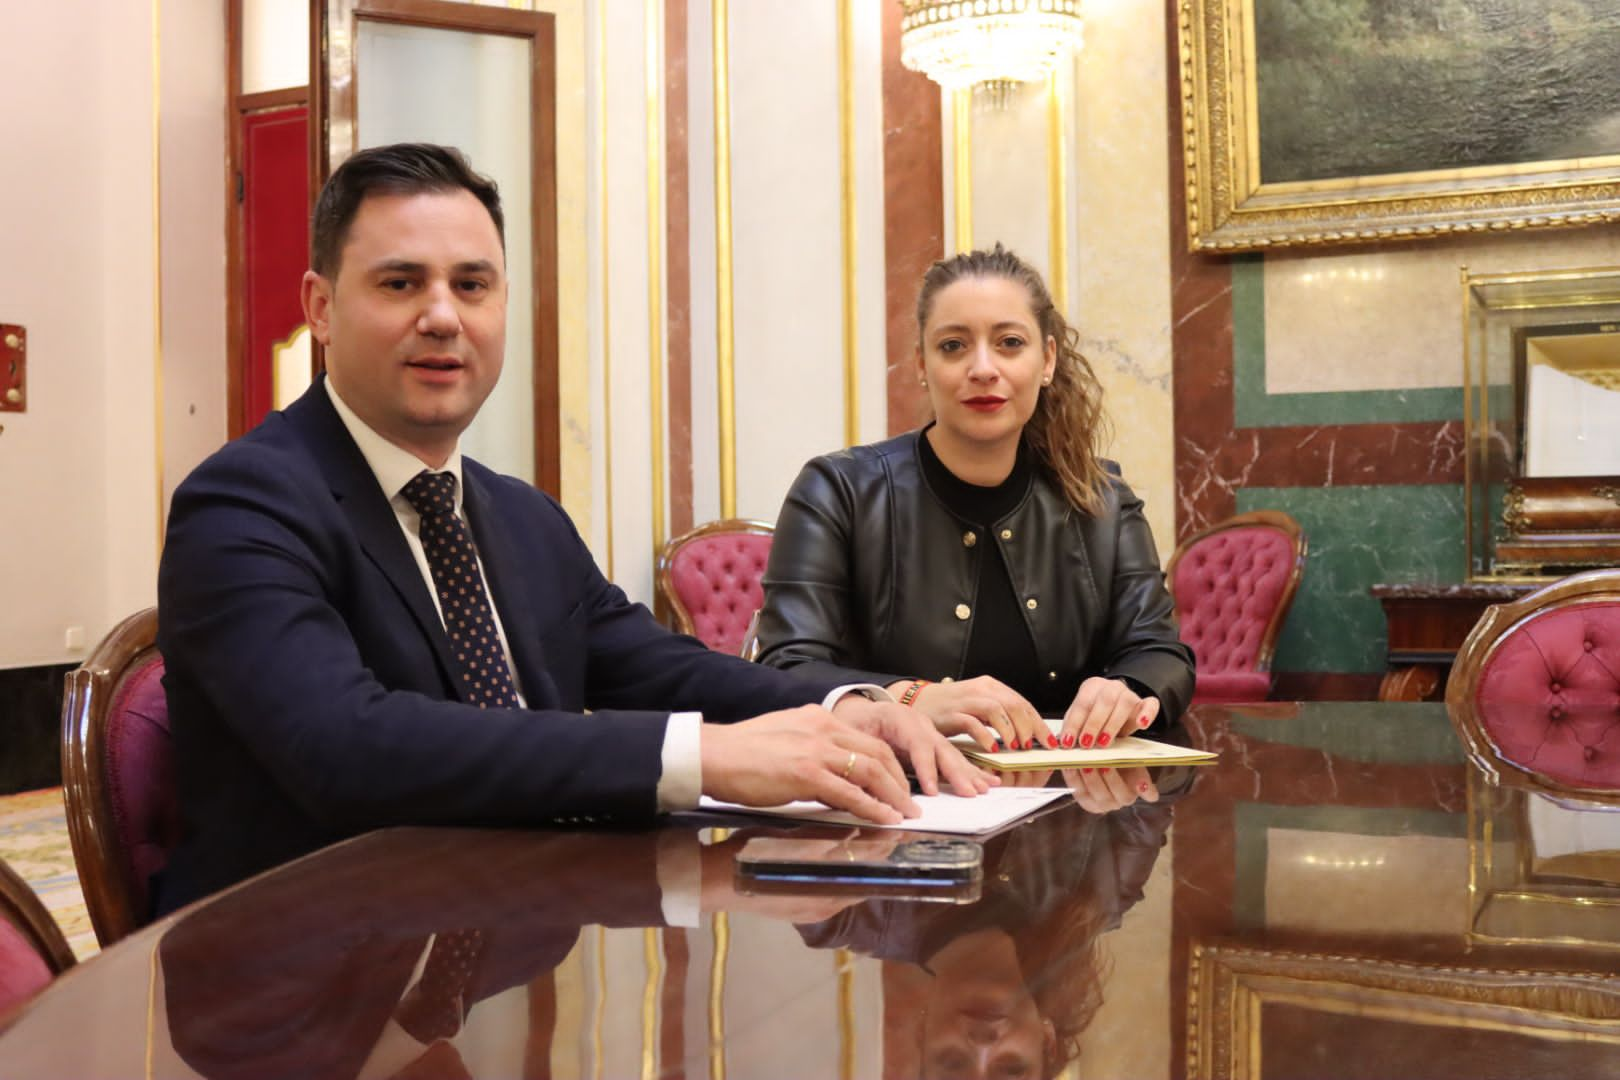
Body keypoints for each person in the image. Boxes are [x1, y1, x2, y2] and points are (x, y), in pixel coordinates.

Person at [154, 143, 985, 916]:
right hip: (310, 971)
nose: (443, 316)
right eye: (401, 283)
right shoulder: (244, 503)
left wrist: (851, 703)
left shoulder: (519, 515)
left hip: (516, 930)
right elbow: (348, 747)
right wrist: (705, 757)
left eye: (472, 285)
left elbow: (657, 668)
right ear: (322, 307)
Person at [755, 244, 1194, 757]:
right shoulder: (837, 491)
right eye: (953, 346)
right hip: (893, 802)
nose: (983, 368)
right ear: (922, 364)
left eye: (1009, 342)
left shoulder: (1104, 502)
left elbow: (1160, 652)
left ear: (1047, 360)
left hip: (1072, 805)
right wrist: (914, 697)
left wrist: (1130, 691)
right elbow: (787, 666)